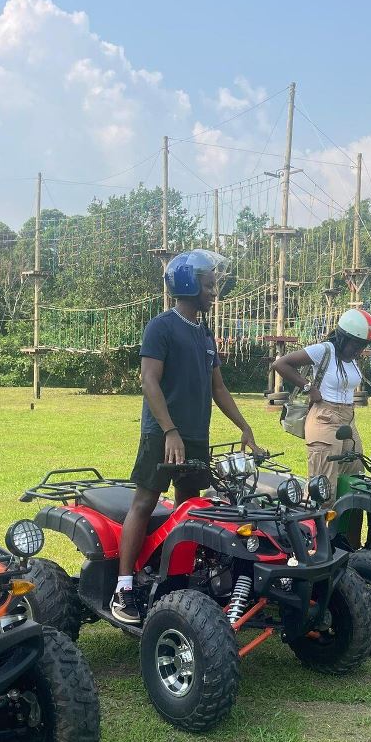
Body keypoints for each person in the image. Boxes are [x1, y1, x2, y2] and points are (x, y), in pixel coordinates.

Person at [112, 249, 260, 624]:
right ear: (188, 285)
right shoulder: (161, 327)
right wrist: (169, 431)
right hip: (162, 435)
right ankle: (124, 587)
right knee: (144, 503)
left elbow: (218, 388)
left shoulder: (204, 332)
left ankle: (177, 580)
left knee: (188, 509)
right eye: (209, 285)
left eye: (214, 285)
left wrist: (244, 426)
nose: (214, 292)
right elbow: (149, 381)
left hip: (195, 436)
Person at [271, 308, 371, 542]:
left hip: (348, 420)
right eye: (356, 344)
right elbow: (281, 364)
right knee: (323, 488)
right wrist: (308, 387)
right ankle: (317, 548)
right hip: (324, 418)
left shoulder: (352, 359)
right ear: (344, 337)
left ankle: (349, 546)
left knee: (355, 484)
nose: (359, 350)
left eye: (363, 346)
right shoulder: (324, 350)